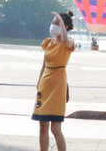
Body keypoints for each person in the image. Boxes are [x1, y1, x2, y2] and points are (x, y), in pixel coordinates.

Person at [33, 11, 76, 151]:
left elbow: (65, 40)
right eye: (53, 22)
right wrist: (39, 82)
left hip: (58, 86)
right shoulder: (48, 42)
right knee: (42, 126)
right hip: (45, 85)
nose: (53, 25)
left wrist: (61, 23)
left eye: (56, 23)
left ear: (66, 26)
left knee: (55, 128)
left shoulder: (67, 43)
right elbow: (44, 64)